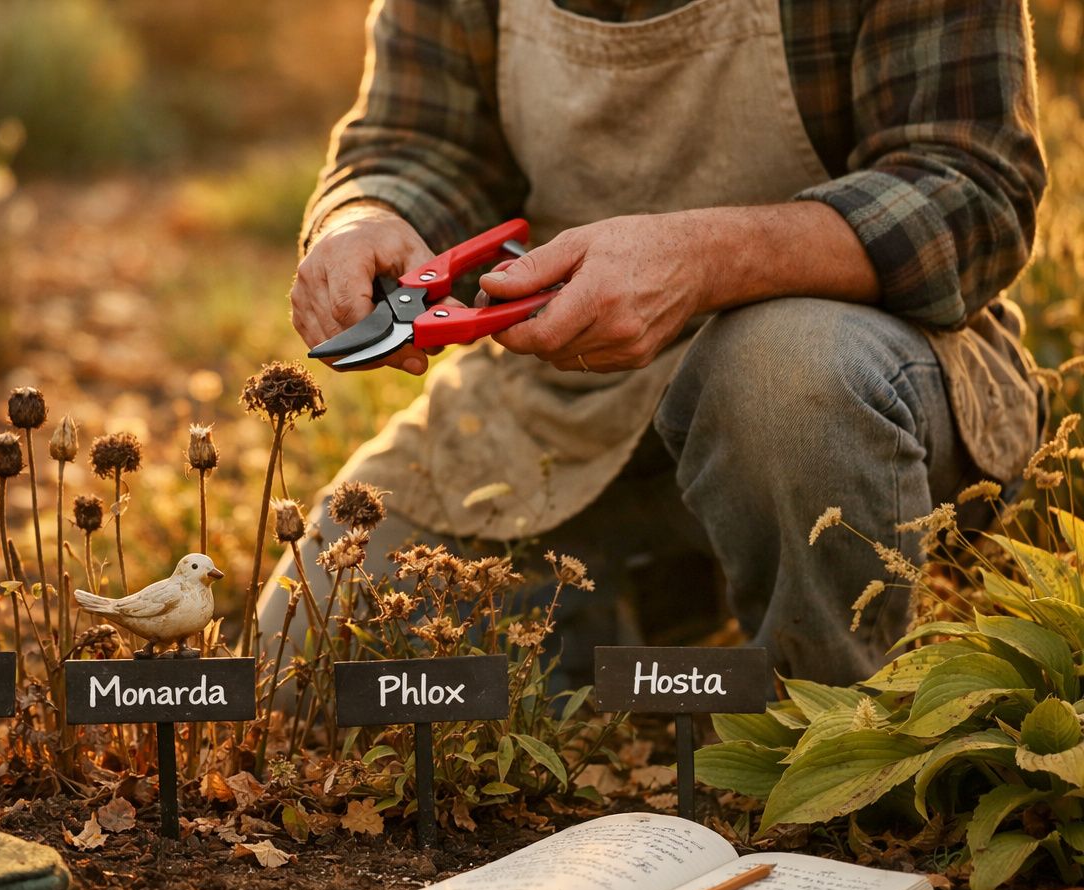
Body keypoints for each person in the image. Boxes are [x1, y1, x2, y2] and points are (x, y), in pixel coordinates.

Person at [265, 0, 1047, 685]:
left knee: (787, 375)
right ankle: (656, 611)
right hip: (567, 406)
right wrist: (365, 218)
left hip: (841, 381)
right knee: (304, 663)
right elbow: (419, 145)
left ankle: (832, 731)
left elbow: (972, 190)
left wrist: (705, 260)